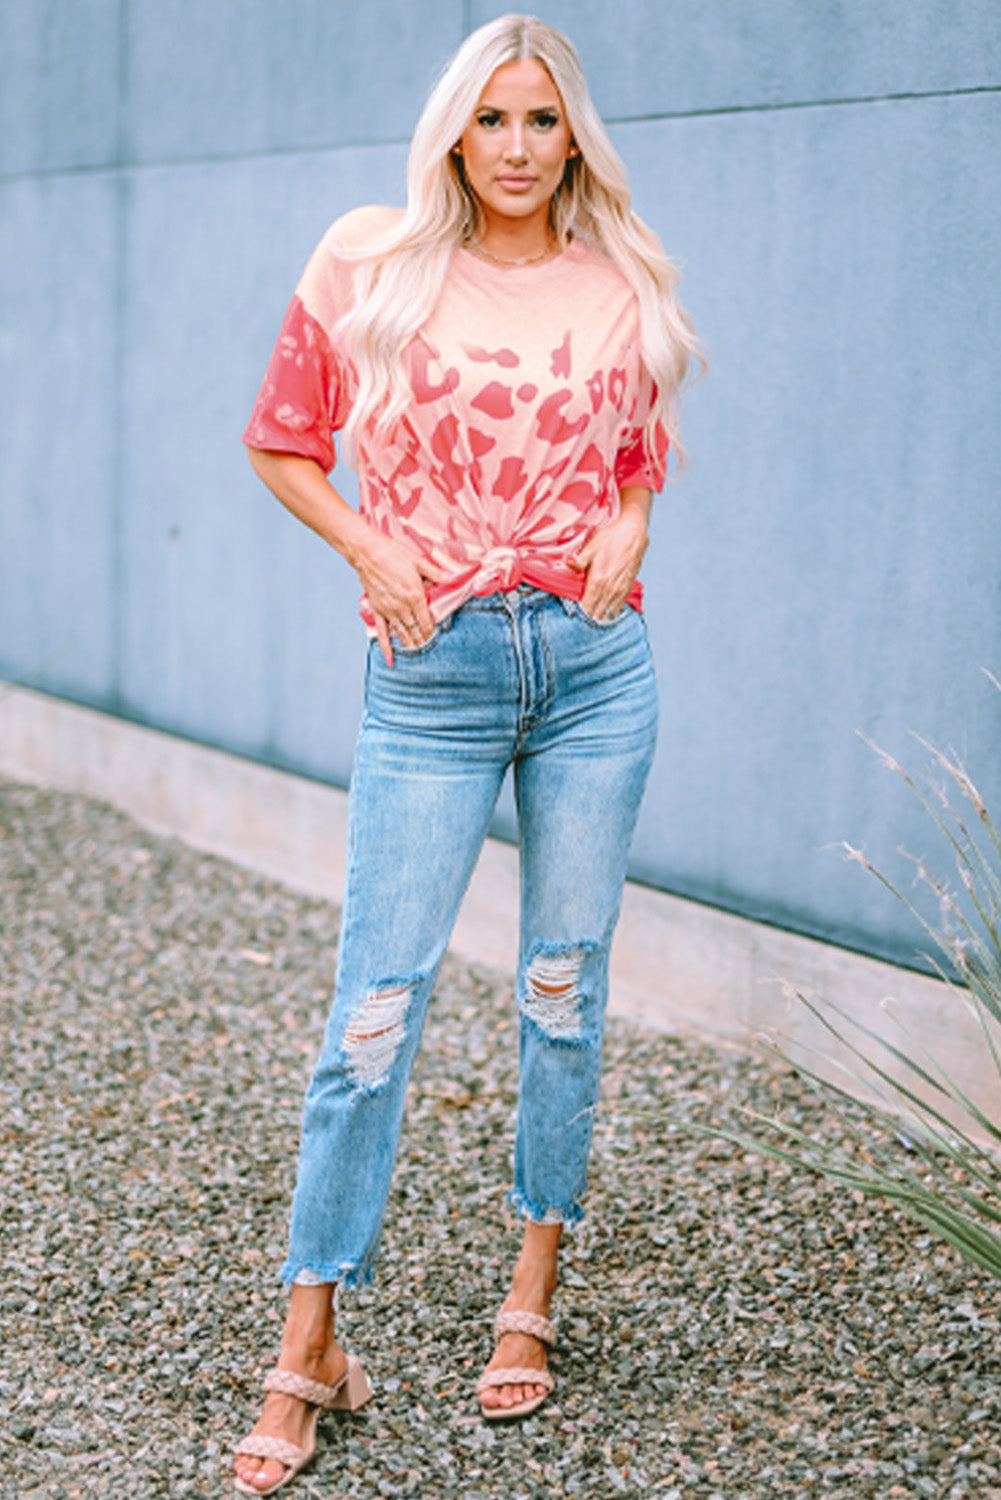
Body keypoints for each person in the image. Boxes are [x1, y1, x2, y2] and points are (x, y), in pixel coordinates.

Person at [233, 12, 701, 1494]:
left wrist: (630, 522)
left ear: (574, 138)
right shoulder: (371, 257)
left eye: (540, 123)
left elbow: (636, 450)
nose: (513, 149)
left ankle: (531, 1289)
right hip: (429, 675)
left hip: (591, 673)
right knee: (371, 1012)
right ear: (453, 131)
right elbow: (280, 436)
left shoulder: (619, 271)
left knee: (562, 992)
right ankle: (308, 1344)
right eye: (490, 121)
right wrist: (372, 552)